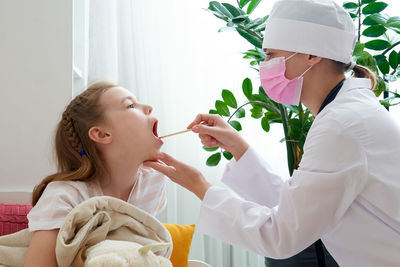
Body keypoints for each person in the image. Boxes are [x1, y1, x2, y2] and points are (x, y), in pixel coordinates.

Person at [144, 0, 400, 265]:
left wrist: (199, 186)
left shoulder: (341, 125)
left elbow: (282, 234)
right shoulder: (345, 115)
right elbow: (300, 204)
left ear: (312, 55)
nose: (264, 66)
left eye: (271, 55)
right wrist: (239, 149)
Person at [24, 81, 167, 266]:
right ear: (101, 134)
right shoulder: (63, 197)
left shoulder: (153, 182)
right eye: (131, 105)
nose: (149, 107)